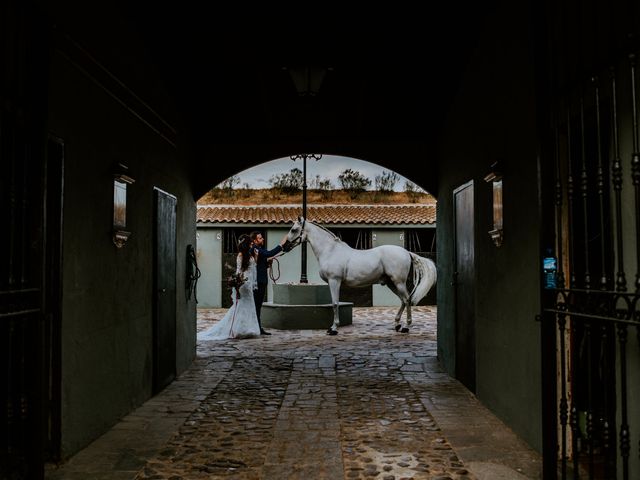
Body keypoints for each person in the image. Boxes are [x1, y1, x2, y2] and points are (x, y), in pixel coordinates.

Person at [199, 234, 261, 340]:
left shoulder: (248, 255)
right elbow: (239, 271)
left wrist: (256, 257)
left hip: (247, 283)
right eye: (250, 242)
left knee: (247, 305)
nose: (252, 244)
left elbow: (251, 268)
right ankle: (241, 329)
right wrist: (237, 283)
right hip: (244, 283)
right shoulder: (241, 255)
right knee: (244, 305)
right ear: (246, 244)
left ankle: (245, 328)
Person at [250, 231, 288, 335]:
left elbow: (261, 264)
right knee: (257, 305)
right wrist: (281, 245)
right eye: (260, 238)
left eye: (262, 237)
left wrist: (267, 263)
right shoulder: (255, 249)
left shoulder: (259, 249)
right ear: (254, 241)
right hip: (258, 282)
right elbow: (269, 253)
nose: (263, 239)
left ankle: (258, 327)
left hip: (262, 281)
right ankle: (257, 328)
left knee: (258, 305)